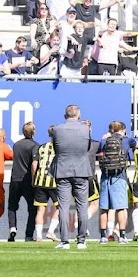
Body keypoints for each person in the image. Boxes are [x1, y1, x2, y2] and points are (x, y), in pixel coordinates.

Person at [52, 104, 94, 249]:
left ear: (66, 115)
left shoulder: (57, 129)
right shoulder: (85, 129)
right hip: (81, 170)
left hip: (62, 170)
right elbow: (88, 148)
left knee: (63, 207)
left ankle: (64, 241)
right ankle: (81, 240)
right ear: (78, 114)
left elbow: (56, 148)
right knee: (82, 206)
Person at [97, 120, 132, 245]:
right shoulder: (127, 140)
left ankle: (103, 236)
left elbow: (99, 153)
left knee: (104, 208)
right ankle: (122, 236)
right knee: (120, 208)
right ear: (123, 129)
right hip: (119, 177)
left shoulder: (104, 141)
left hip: (105, 177)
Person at [7, 121, 38, 242]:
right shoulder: (35, 146)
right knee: (32, 208)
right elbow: (34, 164)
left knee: (12, 206)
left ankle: (12, 227)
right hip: (27, 180)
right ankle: (29, 234)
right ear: (33, 132)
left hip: (15, 178)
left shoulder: (17, 145)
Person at [31, 125, 60, 242]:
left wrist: (33, 179)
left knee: (40, 209)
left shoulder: (41, 147)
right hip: (54, 181)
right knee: (60, 207)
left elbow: (34, 165)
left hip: (40, 180)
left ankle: (38, 236)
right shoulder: (59, 148)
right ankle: (51, 231)